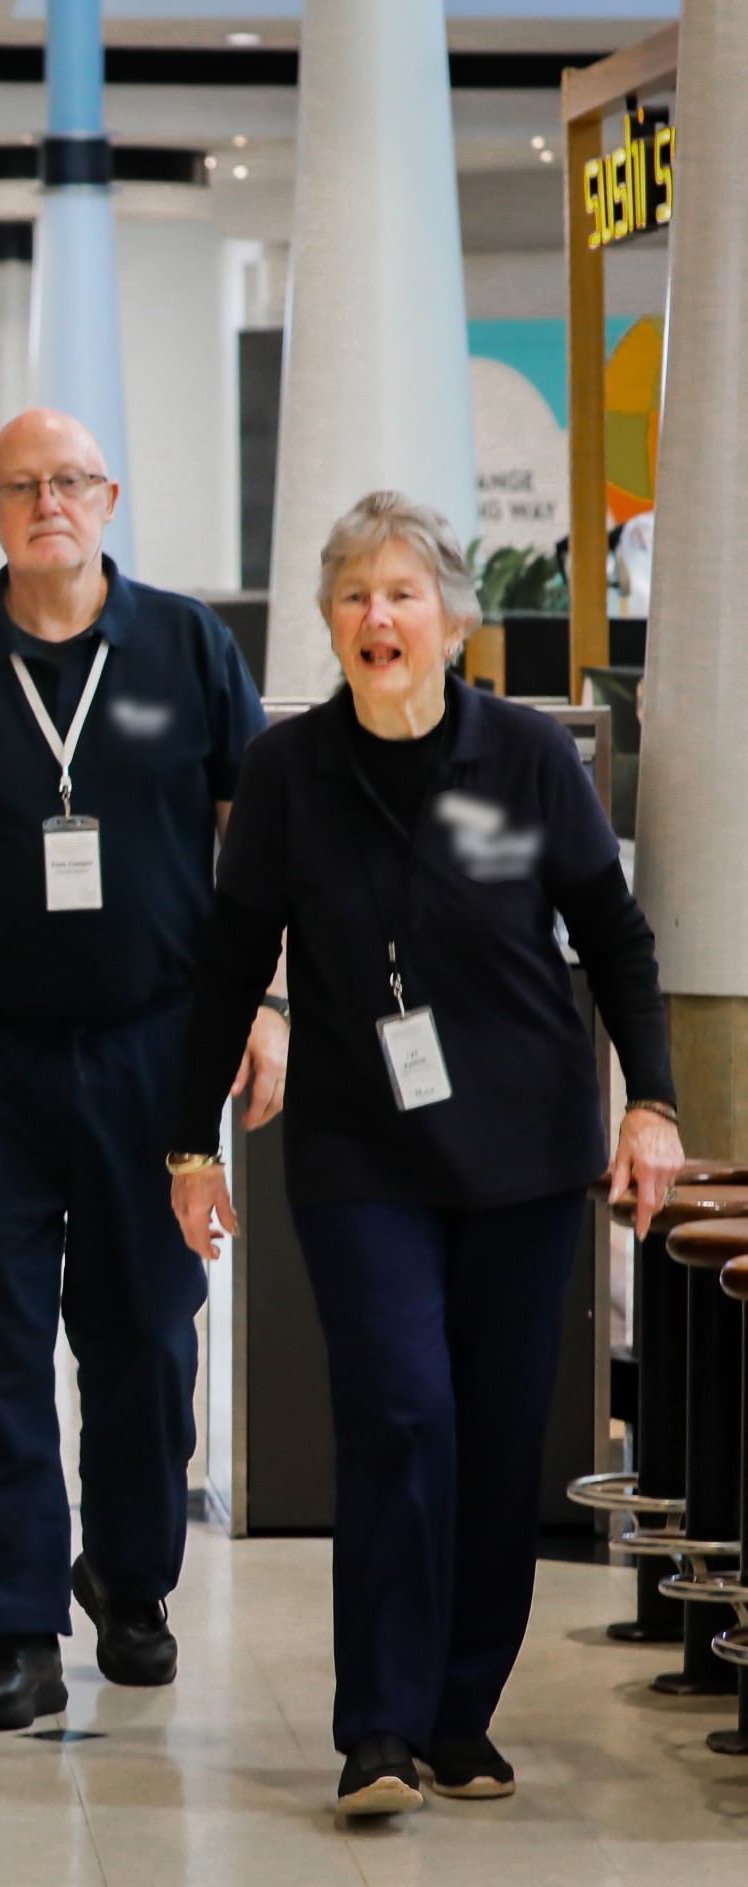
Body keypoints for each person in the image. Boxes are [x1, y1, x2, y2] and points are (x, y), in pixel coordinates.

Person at [167, 492, 683, 1816]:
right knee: (403, 1413)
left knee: (501, 1438)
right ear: (329, 624)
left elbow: (612, 937)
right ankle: (380, 1729)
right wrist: (186, 1142)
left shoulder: (523, 761)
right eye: (353, 596)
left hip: (521, 1146)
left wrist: (652, 1107)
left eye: (402, 593)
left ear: (452, 618)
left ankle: (463, 1712)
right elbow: (229, 964)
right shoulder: (290, 773)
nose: (377, 617)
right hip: (362, 1153)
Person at [0, 408, 284, 1731]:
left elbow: (257, 844)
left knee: (145, 1330)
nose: (47, 503)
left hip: (156, 1049)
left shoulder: (187, 645)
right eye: (19, 487)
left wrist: (272, 1003)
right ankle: (12, 1629)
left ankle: (131, 1586)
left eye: (69, 481)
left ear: (110, 497)